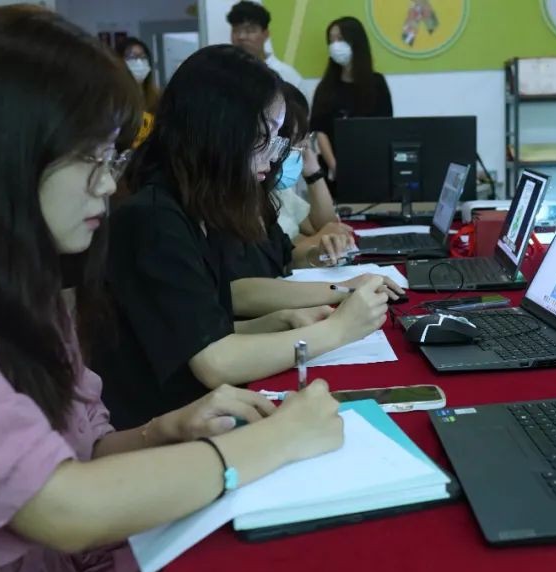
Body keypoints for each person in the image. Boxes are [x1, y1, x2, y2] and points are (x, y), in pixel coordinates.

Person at [0, 7, 342, 572]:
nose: (105, 184)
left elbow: (84, 450)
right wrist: (275, 442)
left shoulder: (21, 291)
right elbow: (61, 506)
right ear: (7, 154)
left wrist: (166, 430)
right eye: (90, 158)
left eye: (112, 158)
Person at [92, 45, 393, 430]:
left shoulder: (195, 207)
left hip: (202, 411)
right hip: (166, 429)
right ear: (220, 134)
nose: (271, 159)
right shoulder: (154, 220)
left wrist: (278, 321)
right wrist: (337, 330)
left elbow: (198, 328)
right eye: (263, 139)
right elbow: (214, 361)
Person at [272, 81, 355, 263]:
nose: (302, 146)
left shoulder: (279, 191)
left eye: (304, 139)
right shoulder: (250, 196)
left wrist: (312, 171)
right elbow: (275, 258)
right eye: (296, 140)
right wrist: (318, 238)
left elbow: (323, 224)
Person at [309, 16, 393, 185]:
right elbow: (320, 131)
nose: (335, 45)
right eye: (331, 40)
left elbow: (385, 126)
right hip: (333, 172)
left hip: (371, 169)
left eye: (340, 39)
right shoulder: (325, 87)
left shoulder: (377, 84)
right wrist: (335, 167)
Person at [227, 0, 302, 90]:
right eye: (236, 30)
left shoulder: (287, 75)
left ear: (265, 34)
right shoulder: (223, 72)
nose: (241, 37)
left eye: (249, 30)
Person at [115, 36, 160, 147]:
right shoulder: (114, 99)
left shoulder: (156, 96)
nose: (139, 62)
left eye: (143, 57)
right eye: (132, 57)